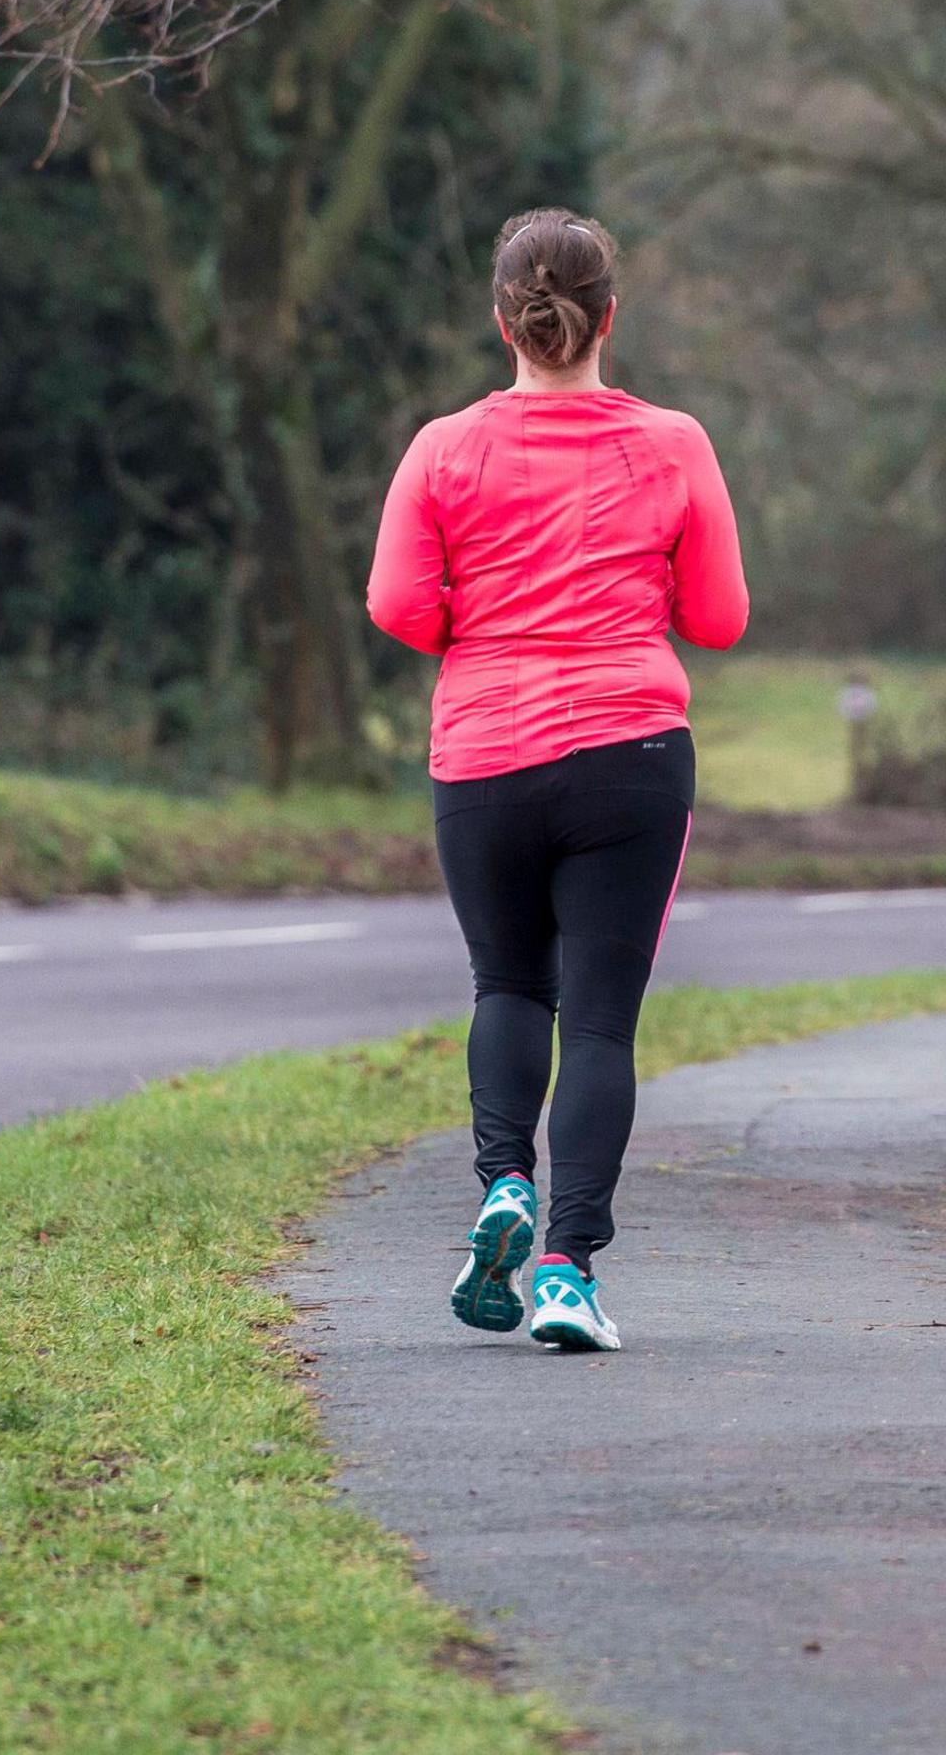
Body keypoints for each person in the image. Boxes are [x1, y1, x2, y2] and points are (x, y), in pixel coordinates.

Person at [365, 208, 748, 1352]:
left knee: (507, 988)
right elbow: (719, 619)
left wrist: (471, 628)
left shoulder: (443, 448)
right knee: (601, 1026)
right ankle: (570, 1274)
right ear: (608, 318)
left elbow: (395, 605)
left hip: (484, 752)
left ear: (503, 322)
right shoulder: (673, 442)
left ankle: (501, 1185)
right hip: (629, 757)